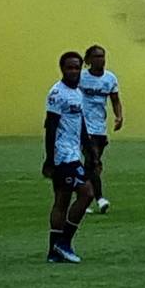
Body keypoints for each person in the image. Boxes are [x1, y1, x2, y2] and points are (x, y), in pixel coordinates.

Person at [43, 51, 94, 263]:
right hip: (63, 156)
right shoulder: (57, 93)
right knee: (87, 193)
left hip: (73, 152)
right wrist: (50, 159)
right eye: (69, 67)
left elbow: (79, 122)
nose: (73, 71)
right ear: (62, 69)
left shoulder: (77, 92)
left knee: (61, 202)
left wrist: (89, 148)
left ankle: (54, 252)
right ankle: (64, 242)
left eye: (76, 67)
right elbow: (50, 126)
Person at [79, 44, 122, 214]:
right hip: (83, 127)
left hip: (100, 128)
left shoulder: (110, 78)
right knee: (93, 160)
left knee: (92, 166)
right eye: (96, 56)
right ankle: (99, 198)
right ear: (88, 60)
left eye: (102, 56)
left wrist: (119, 116)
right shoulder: (81, 77)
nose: (101, 60)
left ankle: (83, 200)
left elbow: (115, 100)